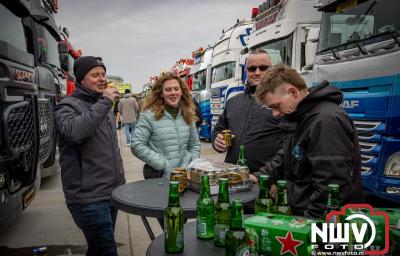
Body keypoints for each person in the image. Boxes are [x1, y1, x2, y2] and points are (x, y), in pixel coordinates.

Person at [253, 64, 363, 218]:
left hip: (320, 222)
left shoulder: (325, 121)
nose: (275, 114)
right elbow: (286, 156)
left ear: (293, 92)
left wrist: (310, 224)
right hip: (301, 211)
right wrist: (258, 176)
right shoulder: (301, 117)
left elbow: (331, 185)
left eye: (276, 106)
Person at [55, 56, 125, 256]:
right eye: (95, 75)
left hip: (111, 192)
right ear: (81, 79)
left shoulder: (102, 106)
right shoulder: (67, 106)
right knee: (107, 255)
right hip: (88, 198)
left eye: (103, 74)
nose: (102, 78)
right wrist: (105, 102)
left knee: (98, 253)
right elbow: (75, 132)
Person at [211, 49, 290, 181]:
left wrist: (270, 177)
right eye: (252, 69)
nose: (257, 72)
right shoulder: (233, 102)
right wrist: (216, 140)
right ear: (246, 71)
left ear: (272, 69)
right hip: (233, 178)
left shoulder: (282, 102)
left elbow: (289, 147)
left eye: (263, 68)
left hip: (265, 181)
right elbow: (219, 129)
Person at [131, 72, 201, 179]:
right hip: (160, 176)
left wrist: (191, 164)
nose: (173, 93)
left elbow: (194, 145)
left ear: (181, 92)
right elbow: (137, 145)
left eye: (176, 89)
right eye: (168, 90)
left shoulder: (187, 113)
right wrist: (163, 165)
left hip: (185, 175)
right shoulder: (148, 115)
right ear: (161, 93)